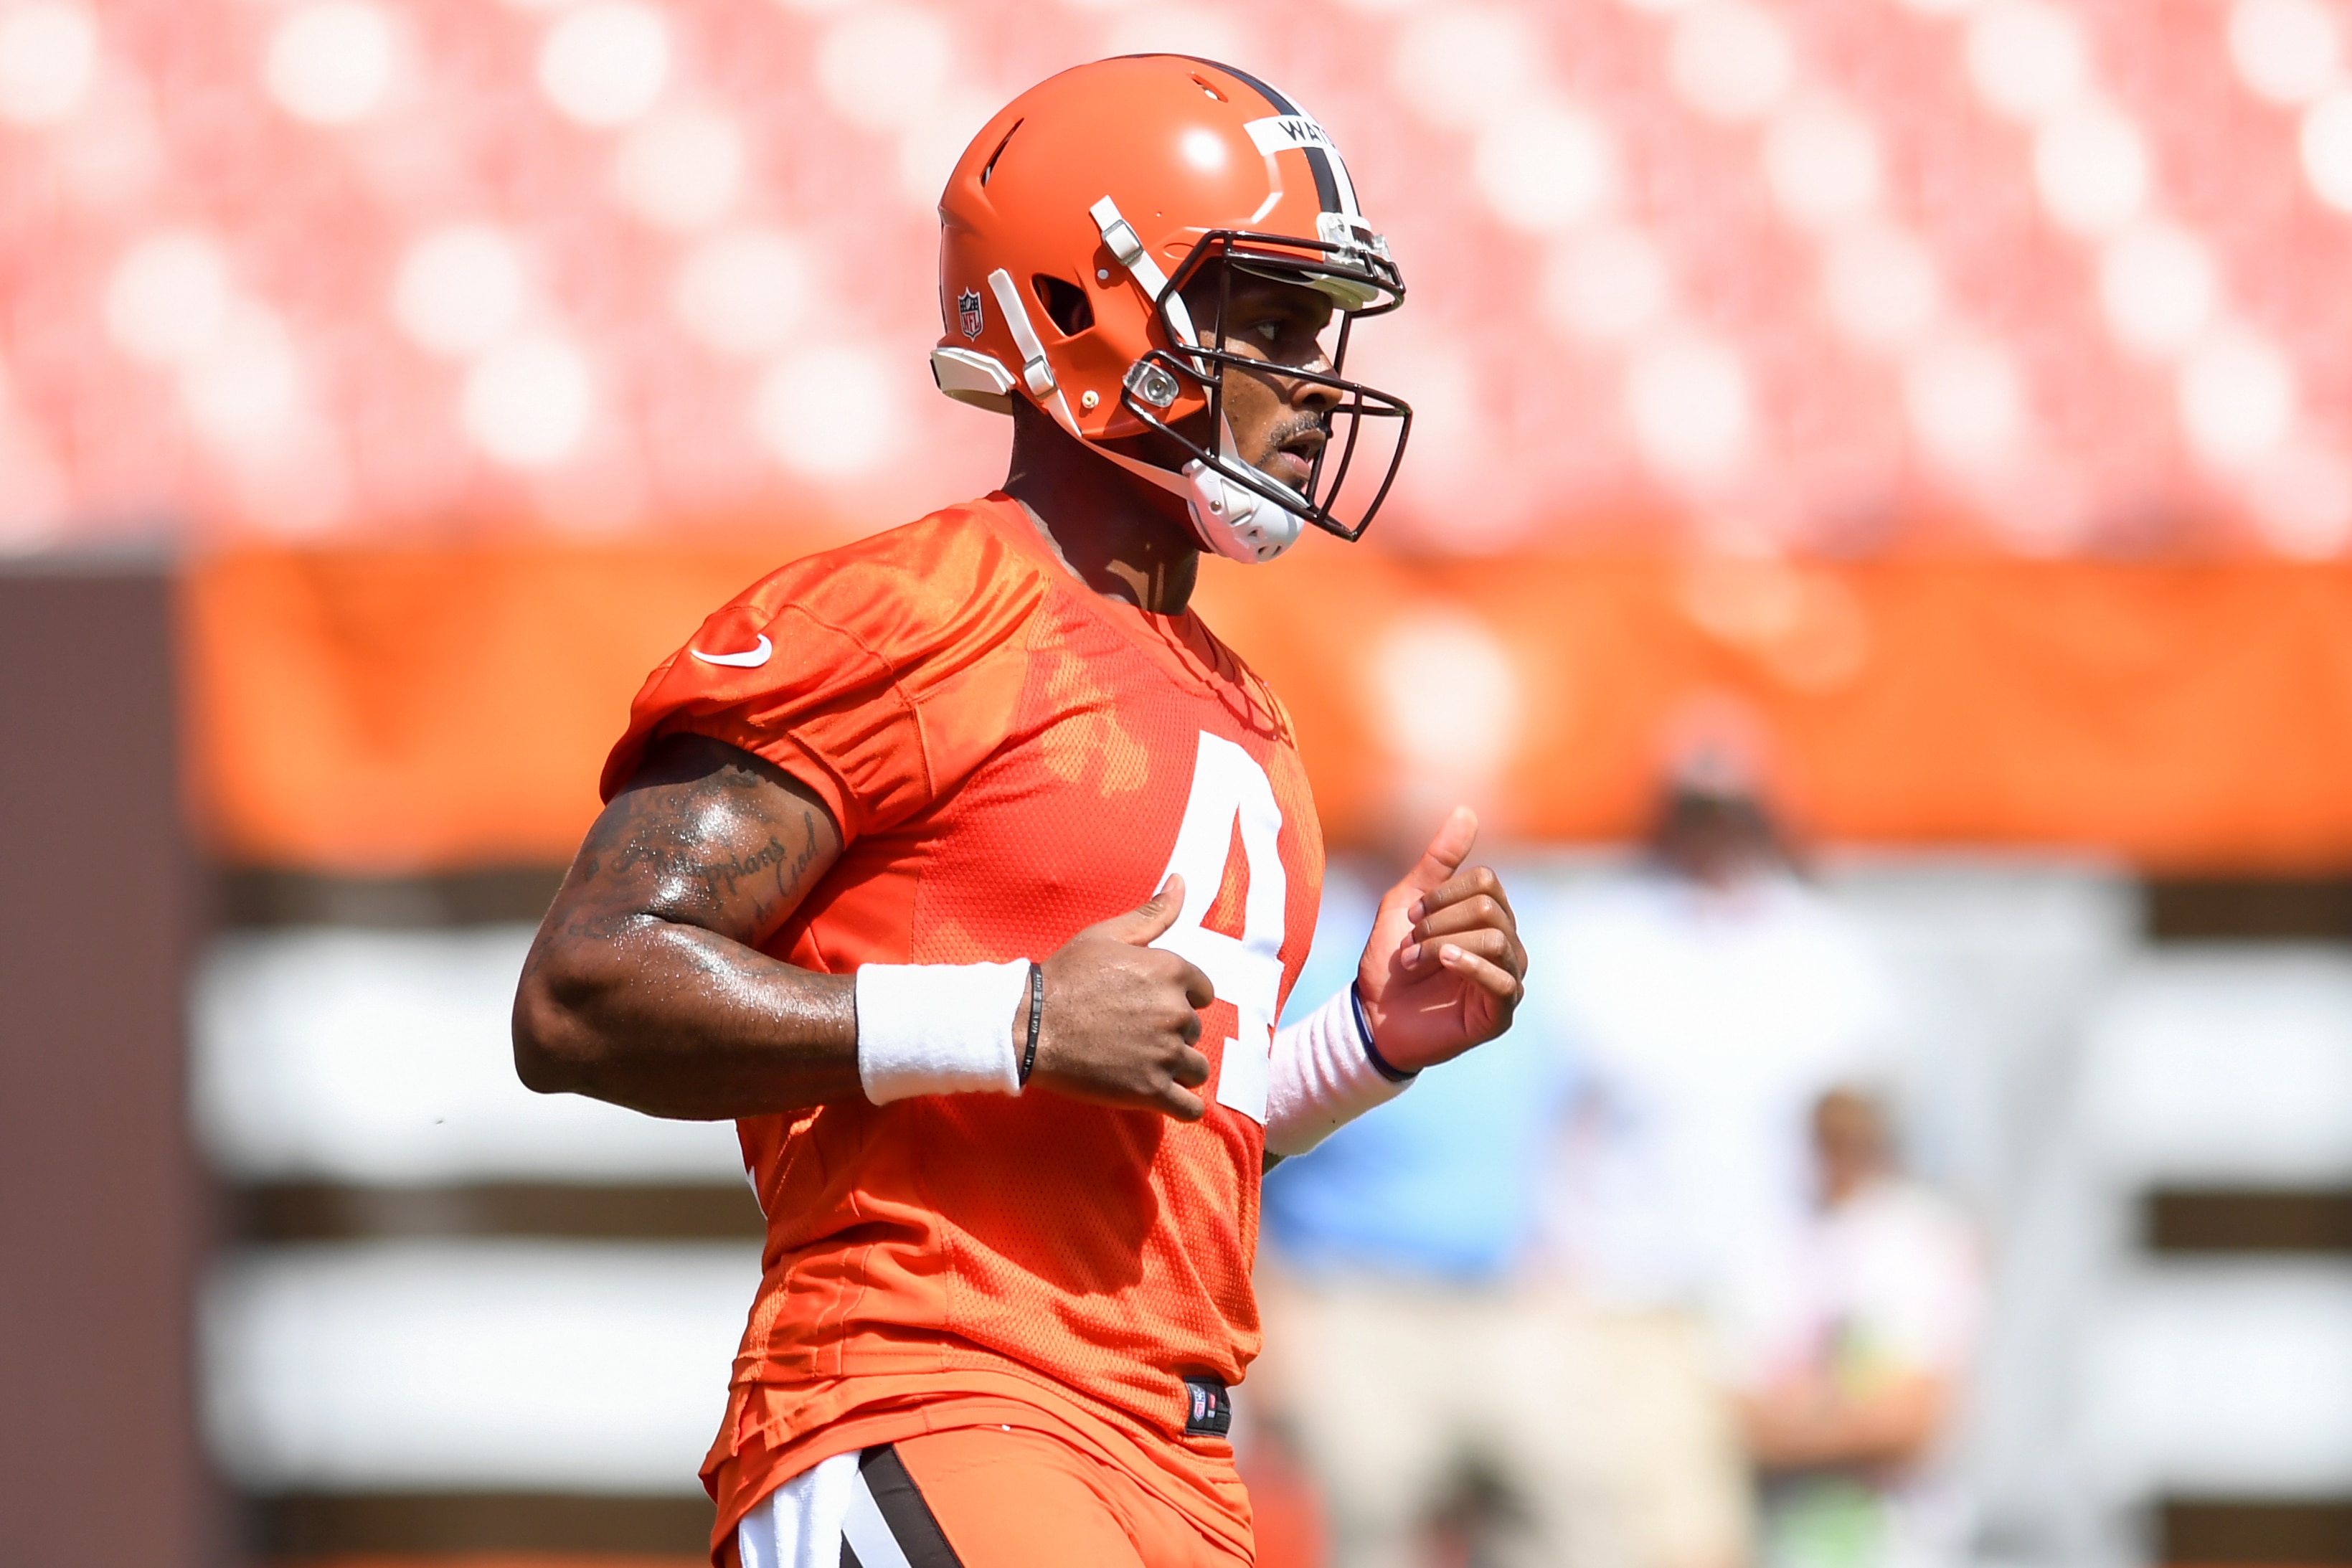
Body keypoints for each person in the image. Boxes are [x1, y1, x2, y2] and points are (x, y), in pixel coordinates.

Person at [509, 56, 1528, 1568]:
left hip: (1165, 1455)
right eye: (1269, 319)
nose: (1315, 381)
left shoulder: (1237, 702)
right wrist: (1012, 1018)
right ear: (1088, 306)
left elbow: (1156, 1119)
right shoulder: (919, 613)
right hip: (930, 1386)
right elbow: (583, 990)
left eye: (1325, 326)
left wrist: (1364, 1046)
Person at [1531, 749, 1901, 1568]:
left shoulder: (1825, 950)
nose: (1713, 836)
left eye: (1730, 812)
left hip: (1787, 1306)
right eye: (1697, 812)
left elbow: (1865, 1133)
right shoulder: (1601, 937)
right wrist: (1562, 1266)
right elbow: (1556, 1123)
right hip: (1641, 1306)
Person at [1253, 856, 1592, 1568]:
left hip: (1504, 1299)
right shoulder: (1318, 944)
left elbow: (1568, 1124)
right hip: (1355, 1300)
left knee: (1560, 1526)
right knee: (1368, 1535)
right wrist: (1273, 1321)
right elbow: (1256, 1142)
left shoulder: (1541, 940)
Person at [1737, 1089, 1985, 1568]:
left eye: (1853, 1139)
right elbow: (1734, 1416)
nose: (1838, 1156)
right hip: (1787, 1544)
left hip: (1899, 1546)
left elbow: (1914, 1423)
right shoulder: (1773, 1242)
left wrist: (1799, 1421)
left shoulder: (1920, 1240)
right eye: (1827, 1140)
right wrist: (1839, 1415)